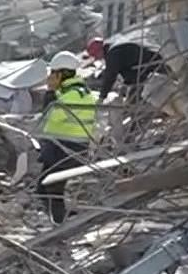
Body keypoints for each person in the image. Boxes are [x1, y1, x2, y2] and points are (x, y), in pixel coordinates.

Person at [37, 50, 99, 223]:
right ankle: (61, 220)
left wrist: (50, 91)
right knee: (44, 188)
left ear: (61, 74)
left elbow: (49, 116)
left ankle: (60, 226)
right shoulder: (71, 91)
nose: (49, 78)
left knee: (51, 188)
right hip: (61, 148)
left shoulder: (74, 94)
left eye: (52, 74)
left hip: (68, 150)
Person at [95, 36, 169, 102]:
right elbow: (128, 69)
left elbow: (110, 76)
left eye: (96, 55)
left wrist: (102, 96)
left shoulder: (113, 54)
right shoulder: (115, 49)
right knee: (134, 99)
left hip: (152, 69)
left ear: (99, 50)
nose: (97, 58)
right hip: (153, 65)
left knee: (135, 102)